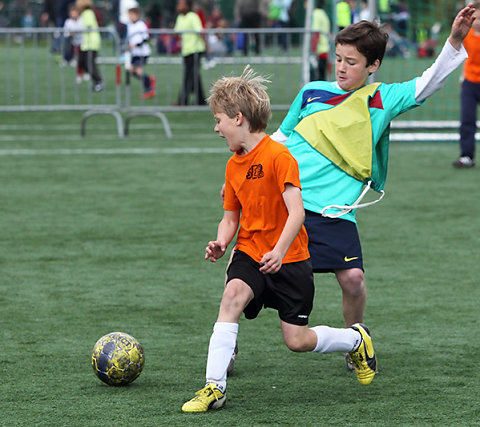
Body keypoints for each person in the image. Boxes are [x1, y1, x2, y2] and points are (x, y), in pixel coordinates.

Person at [268, 5, 475, 371]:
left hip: (335, 212)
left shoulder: (382, 98)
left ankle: (354, 342)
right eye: (338, 58)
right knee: (244, 273)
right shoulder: (311, 93)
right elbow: (278, 142)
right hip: (288, 204)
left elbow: (428, 82)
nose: (341, 67)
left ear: (373, 65)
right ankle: (228, 343)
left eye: (351, 61)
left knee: (353, 280)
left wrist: (455, 40)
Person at [181, 66, 377, 413]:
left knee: (297, 341)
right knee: (231, 296)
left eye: (219, 120)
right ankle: (214, 386)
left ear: (238, 118)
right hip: (251, 252)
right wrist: (221, 242)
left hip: (290, 259)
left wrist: (280, 249)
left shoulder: (279, 156)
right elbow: (230, 218)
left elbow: (297, 213)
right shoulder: (233, 165)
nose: (216, 127)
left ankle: (355, 339)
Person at [453, 1, 480, 168]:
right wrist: (463, 78)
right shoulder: (466, 35)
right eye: (475, 17)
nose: (477, 21)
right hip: (470, 83)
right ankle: (467, 156)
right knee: (467, 120)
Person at [174, 0, 206, 105]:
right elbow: (176, 33)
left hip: (196, 50)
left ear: (187, 6)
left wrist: (207, 46)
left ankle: (183, 100)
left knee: (189, 76)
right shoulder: (179, 18)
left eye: (181, 4)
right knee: (194, 76)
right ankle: (201, 100)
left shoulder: (193, 16)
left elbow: (199, 31)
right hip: (186, 51)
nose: (178, 6)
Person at [126, 5, 156, 99]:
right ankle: (149, 79)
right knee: (131, 71)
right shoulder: (130, 25)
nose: (130, 17)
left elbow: (145, 39)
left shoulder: (141, 25)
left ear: (137, 15)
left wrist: (136, 45)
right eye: (129, 15)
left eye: (132, 15)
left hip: (143, 53)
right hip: (135, 53)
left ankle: (149, 89)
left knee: (138, 72)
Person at [77, 0, 103, 92]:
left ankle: (98, 81)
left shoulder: (87, 13)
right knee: (83, 63)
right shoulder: (86, 13)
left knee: (89, 64)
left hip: (91, 43)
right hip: (86, 43)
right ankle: (97, 80)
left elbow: (88, 26)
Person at [63, 3, 84, 82]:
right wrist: (70, 33)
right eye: (71, 12)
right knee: (79, 59)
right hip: (74, 43)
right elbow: (66, 33)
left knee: (83, 60)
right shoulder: (68, 22)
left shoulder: (82, 20)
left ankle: (84, 73)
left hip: (83, 43)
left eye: (74, 11)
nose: (73, 14)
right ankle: (79, 74)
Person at [311, 0, 331, 81]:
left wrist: (313, 49)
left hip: (320, 51)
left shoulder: (316, 13)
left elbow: (316, 33)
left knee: (317, 80)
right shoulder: (323, 14)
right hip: (325, 50)